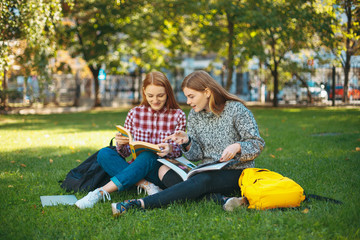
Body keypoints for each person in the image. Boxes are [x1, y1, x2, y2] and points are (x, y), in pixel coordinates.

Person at [111, 70, 265, 216]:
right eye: (187, 97)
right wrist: (187, 142)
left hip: (237, 171)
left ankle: (140, 204)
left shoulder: (236, 110)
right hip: (206, 170)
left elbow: (257, 144)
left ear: (207, 92)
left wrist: (237, 146)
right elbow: (196, 155)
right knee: (166, 171)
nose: (188, 102)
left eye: (191, 96)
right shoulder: (194, 115)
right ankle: (222, 200)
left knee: (201, 181)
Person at [75, 71, 186, 209]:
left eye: (160, 95)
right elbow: (125, 153)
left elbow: (180, 150)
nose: (155, 100)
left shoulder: (178, 115)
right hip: (135, 167)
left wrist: (170, 148)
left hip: (159, 171)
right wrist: (121, 144)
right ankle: (147, 186)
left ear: (168, 93)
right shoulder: (134, 113)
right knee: (104, 153)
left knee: (148, 155)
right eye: (150, 95)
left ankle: (100, 192)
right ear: (144, 92)